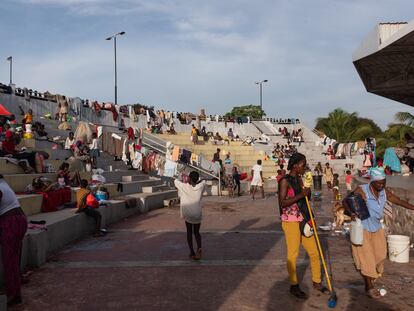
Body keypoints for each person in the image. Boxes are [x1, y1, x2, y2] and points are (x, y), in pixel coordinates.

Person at [345, 168, 414, 299]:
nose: (381, 185)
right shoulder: (362, 189)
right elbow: (346, 201)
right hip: (363, 228)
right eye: (379, 183)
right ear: (372, 181)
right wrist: (352, 213)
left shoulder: (384, 192)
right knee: (367, 259)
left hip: (377, 228)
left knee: (380, 256)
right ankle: (369, 287)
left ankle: (369, 279)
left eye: (384, 182)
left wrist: (413, 207)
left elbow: (399, 201)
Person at [278, 153, 327, 299]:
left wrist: (308, 191)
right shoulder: (284, 181)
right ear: (295, 165)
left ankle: (317, 281)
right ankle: (294, 285)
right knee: (293, 254)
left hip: (304, 219)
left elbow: (306, 199)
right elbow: (283, 203)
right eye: (302, 165)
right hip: (290, 221)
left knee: (314, 251)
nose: (304, 167)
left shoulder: (300, 179)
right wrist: (301, 195)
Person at [0, 175, 28, 306]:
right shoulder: (3, 184)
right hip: (20, 219)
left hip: (10, 222)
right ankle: (18, 278)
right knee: (15, 255)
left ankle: (15, 295)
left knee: (9, 259)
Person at [174, 171, 206, 260]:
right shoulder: (201, 186)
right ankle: (199, 248)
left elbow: (176, 181)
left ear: (190, 179)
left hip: (188, 213)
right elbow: (203, 180)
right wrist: (196, 179)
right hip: (197, 213)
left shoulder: (184, 187)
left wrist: (182, 174)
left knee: (189, 232)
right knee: (196, 232)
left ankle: (192, 252)